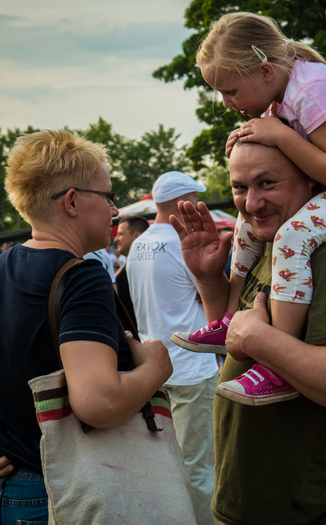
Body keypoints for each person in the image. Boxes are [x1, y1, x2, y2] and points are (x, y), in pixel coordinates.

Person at [0, 130, 172, 523]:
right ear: (72, 201)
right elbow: (99, 402)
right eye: (107, 196)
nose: (115, 211)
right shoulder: (81, 277)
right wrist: (156, 369)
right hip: (64, 493)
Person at [173, 11, 326, 406]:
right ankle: (229, 318)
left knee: (294, 234)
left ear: (265, 71)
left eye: (229, 91)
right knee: (245, 223)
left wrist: (278, 134)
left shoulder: (313, 89)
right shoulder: (280, 99)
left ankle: (277, 360)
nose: (226, 102)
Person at [172, 141, 326, 524]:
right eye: (240, 187)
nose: (251, 203)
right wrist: (208, 279)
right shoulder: (273, 244)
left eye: (268, 183)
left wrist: (262, 340)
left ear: (311, 182)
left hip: (314, 510)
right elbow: (239, 343)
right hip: (256, 501)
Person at [126, 171, 219, 525]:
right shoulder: (184, 243)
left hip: (156, 367)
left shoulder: (138, 243)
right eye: (197, 198)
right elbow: (212, 297)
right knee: (200, 467)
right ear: (184, 201)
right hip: (193, 367)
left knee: (170, 465)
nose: (200, 205)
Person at [112, 215, 150, 330]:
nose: (116, 239)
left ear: (137, 236)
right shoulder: (127, 266)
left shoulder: (146, 268)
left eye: (121, 234)